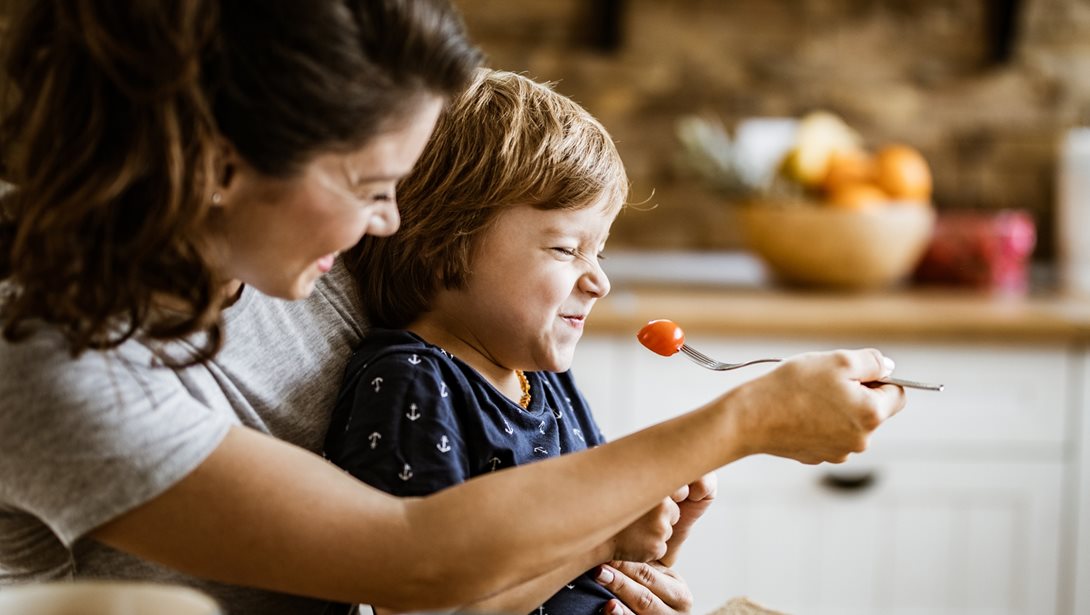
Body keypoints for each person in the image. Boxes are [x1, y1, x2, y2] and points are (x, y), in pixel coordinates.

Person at [0, 1, 907, 614]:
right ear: (219, 161)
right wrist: (742, 420)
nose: (390, 223)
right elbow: (414, 555)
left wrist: (610, 549)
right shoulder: (49, 365)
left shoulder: (309, 260)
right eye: (371, 185)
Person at [326, 69, 716, 615]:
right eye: (566, 249)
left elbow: (600, 573)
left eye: (599, 252)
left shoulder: (548, 384)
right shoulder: (411, 384)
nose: (599, 281)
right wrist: (604, 537)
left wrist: (664, 531)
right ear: (445, 244)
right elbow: (429, 607)